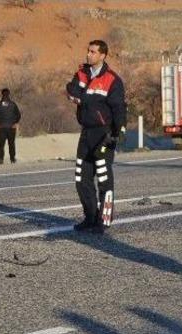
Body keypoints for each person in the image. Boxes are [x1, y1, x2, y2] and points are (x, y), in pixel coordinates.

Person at [66, 39, 126, 233]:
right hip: (86, 133)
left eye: (93, 52)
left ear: (102, 55)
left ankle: (104, 220)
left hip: (104, 133)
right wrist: (78, 94)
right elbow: (72, 89)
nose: (88, 54)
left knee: (103, 177)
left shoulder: (112, 80)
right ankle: (90, 217)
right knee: (81, 179)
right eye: (88, 51)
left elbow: (119, 109)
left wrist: (119, 132)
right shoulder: (82, 73)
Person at [0, 88, 21, 164]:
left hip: (1, 127)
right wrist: (15, 123)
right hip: (11, 127)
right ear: (9, 94)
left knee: (1, 144)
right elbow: (18, 115)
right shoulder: (13, 104)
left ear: (2, 94)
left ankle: (1, 159)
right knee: (11, 144)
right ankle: (12, 159)